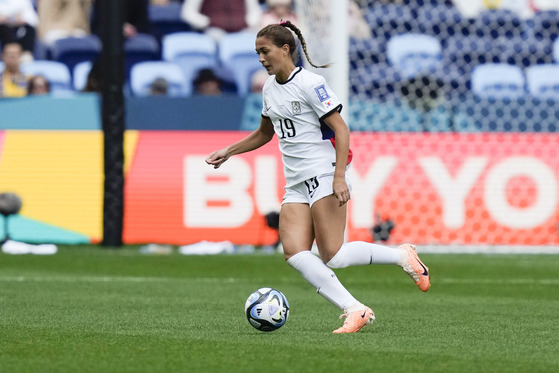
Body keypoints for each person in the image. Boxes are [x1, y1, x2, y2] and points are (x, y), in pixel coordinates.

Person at [205, 21, 431, 334]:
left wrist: (339, 177)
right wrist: (229, 151)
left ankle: (401, 255)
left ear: (285, 49)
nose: (260, 58)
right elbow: (264, 133)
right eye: (257, 52)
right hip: (296, 181)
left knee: (333, 255)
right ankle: (355, 309)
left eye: (265, 51)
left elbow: (341, 129)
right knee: (295, 252)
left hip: (324, 174)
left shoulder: (311, 83)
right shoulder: (269, 88)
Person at [180, 0, 262, 41]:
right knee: (214, 36)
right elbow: (188, 13)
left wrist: (247, 22)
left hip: (243, 30)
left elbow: (255, 12)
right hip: (213, 31)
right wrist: (207, 22)